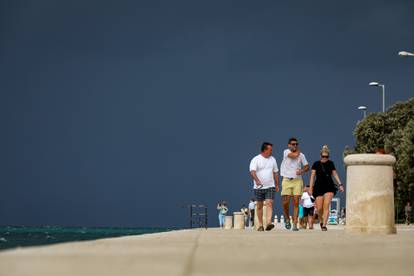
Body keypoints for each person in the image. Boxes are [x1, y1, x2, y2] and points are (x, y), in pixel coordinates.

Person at [309, 145, 344, 231]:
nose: (325, 158)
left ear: (328, 156)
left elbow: (335, 174)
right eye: (323, 156)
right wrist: (310, 188)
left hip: (329, 186)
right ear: (320, 155)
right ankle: (321, 221)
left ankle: (324, 225)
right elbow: (312, 176)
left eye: (326, 156)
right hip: (318, 187)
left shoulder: (331, 163)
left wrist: (340, 184)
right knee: (319, 208)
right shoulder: (316, 164)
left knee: (326, 205)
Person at [249, 142, 280, 231]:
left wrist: (277, 184)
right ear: (265, 150)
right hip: (258, 187)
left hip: (270, 186)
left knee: (270, 203)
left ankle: (269, 223)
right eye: (270, 150)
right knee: (259, 206)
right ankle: (260, 225)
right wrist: (257, 180)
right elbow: (252, 171)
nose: (271, 151)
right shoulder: (256, 159)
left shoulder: (273, 159)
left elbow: (276, 172)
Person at [280, 137, 309, 231]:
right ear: (289, 145)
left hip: (297, 180)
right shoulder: (286, 152)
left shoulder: (302, 155)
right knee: (285, 202)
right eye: (293, 144)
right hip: (287, 179)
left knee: (296, 202)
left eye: (296, 144)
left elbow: (307, 166)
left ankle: (295, 224)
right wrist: (298, 151)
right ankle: (287, 218)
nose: (295, 145)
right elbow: (294, 155)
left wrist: (302, 170)